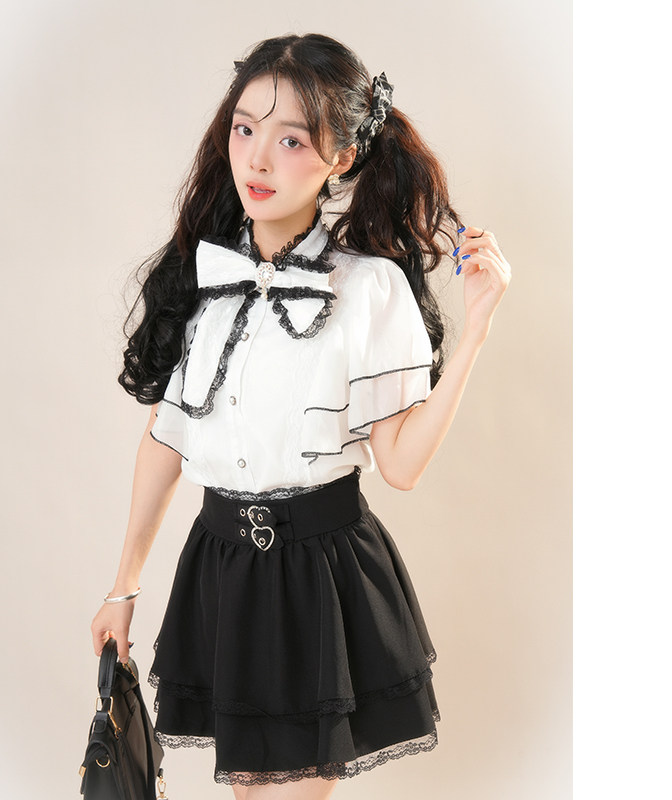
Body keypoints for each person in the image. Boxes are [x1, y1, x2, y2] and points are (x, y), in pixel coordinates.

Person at [91, 32, 511, 799]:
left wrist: (477, 327)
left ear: (341, 157)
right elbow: (165, 441)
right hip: (220, 571)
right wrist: (124, 587)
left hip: (318, 578)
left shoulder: (371, 288)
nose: (256, 159)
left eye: (290, 140)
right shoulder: (202, 276)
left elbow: (402, 466)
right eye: (245, 128)